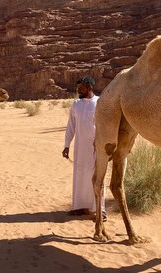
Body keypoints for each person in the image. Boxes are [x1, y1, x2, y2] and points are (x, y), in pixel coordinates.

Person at [62, 76, 106, 220]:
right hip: (80, 148)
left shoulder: (99, 102)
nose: (78, 91)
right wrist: (66, 145)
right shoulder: (75, 104)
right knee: (80, 176)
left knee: (98, 177)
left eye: (81, 88)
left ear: (90, 88)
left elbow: (104, 126)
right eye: (78, 88)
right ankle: (79, 207)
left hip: (96, 147)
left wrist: (102, 144)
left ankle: (101, 210)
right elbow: (71, 126)